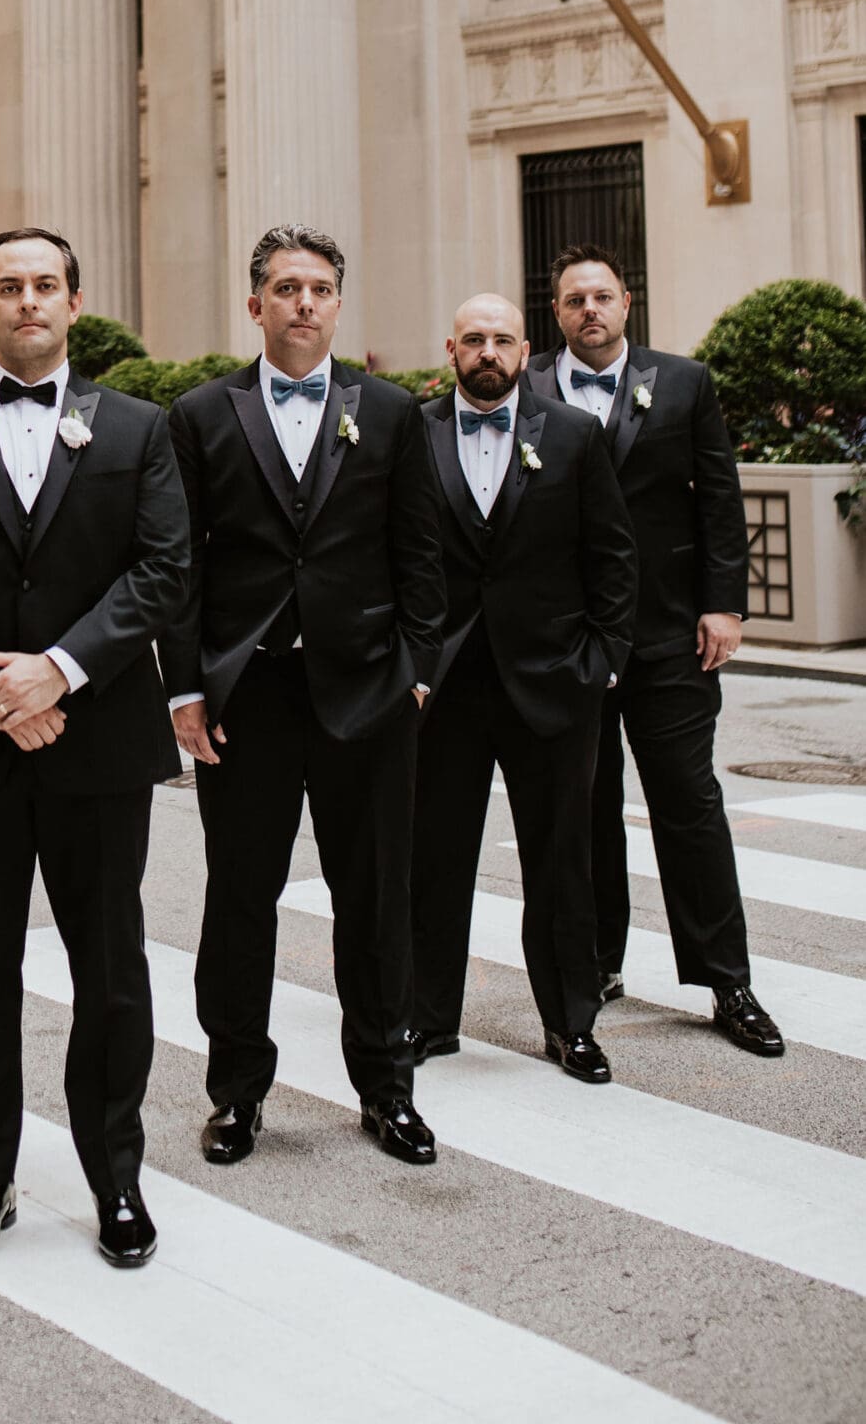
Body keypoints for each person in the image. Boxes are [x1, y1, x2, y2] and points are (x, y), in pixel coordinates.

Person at [0, 228, 188, 1273]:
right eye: (8, 286)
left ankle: (117, 1179)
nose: (28, 301)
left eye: (45, 284)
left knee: (110, 972)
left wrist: (57, 669)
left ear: (74, 300)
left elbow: (160, 570)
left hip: (97, 742)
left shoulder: (139, 429)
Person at [162, 225, 446, 1168]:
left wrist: (413, 674)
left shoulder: (393, 412)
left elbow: (420, 555)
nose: (304, 303)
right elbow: (181, 568)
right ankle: (236, 1094)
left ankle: (385, 1086)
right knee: (240, 900)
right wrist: (185, 688)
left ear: (336, 302)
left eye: (320, 288)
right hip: (248, 698)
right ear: (255, 305)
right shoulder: (201, 415)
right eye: (285, 288)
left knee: (375, 898)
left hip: (367, 693)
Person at [527, 246, 785, 1057]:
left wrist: (723, 603)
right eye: (574, 300)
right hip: (566, 641)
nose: (588, 310)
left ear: (626, 303)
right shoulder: (524, 386)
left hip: (671, 633)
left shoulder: (683, 383)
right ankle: (595, 965)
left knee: (688, 804)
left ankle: (724, 980)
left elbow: (718, 496)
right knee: (582, 808)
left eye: (601, 296)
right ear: (557, 312)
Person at [411, 294, 638, 1081]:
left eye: (501, 340)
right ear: (450, 348)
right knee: (434, 857)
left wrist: (604, 657)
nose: (486, 352)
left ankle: (571, 1023)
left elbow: (611, 552)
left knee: (560, 860)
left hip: (553, 681)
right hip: (443, 691)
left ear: (523, 348)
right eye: (472, 338)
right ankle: (428, 1017)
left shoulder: (572, 433)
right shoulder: (415, 429)